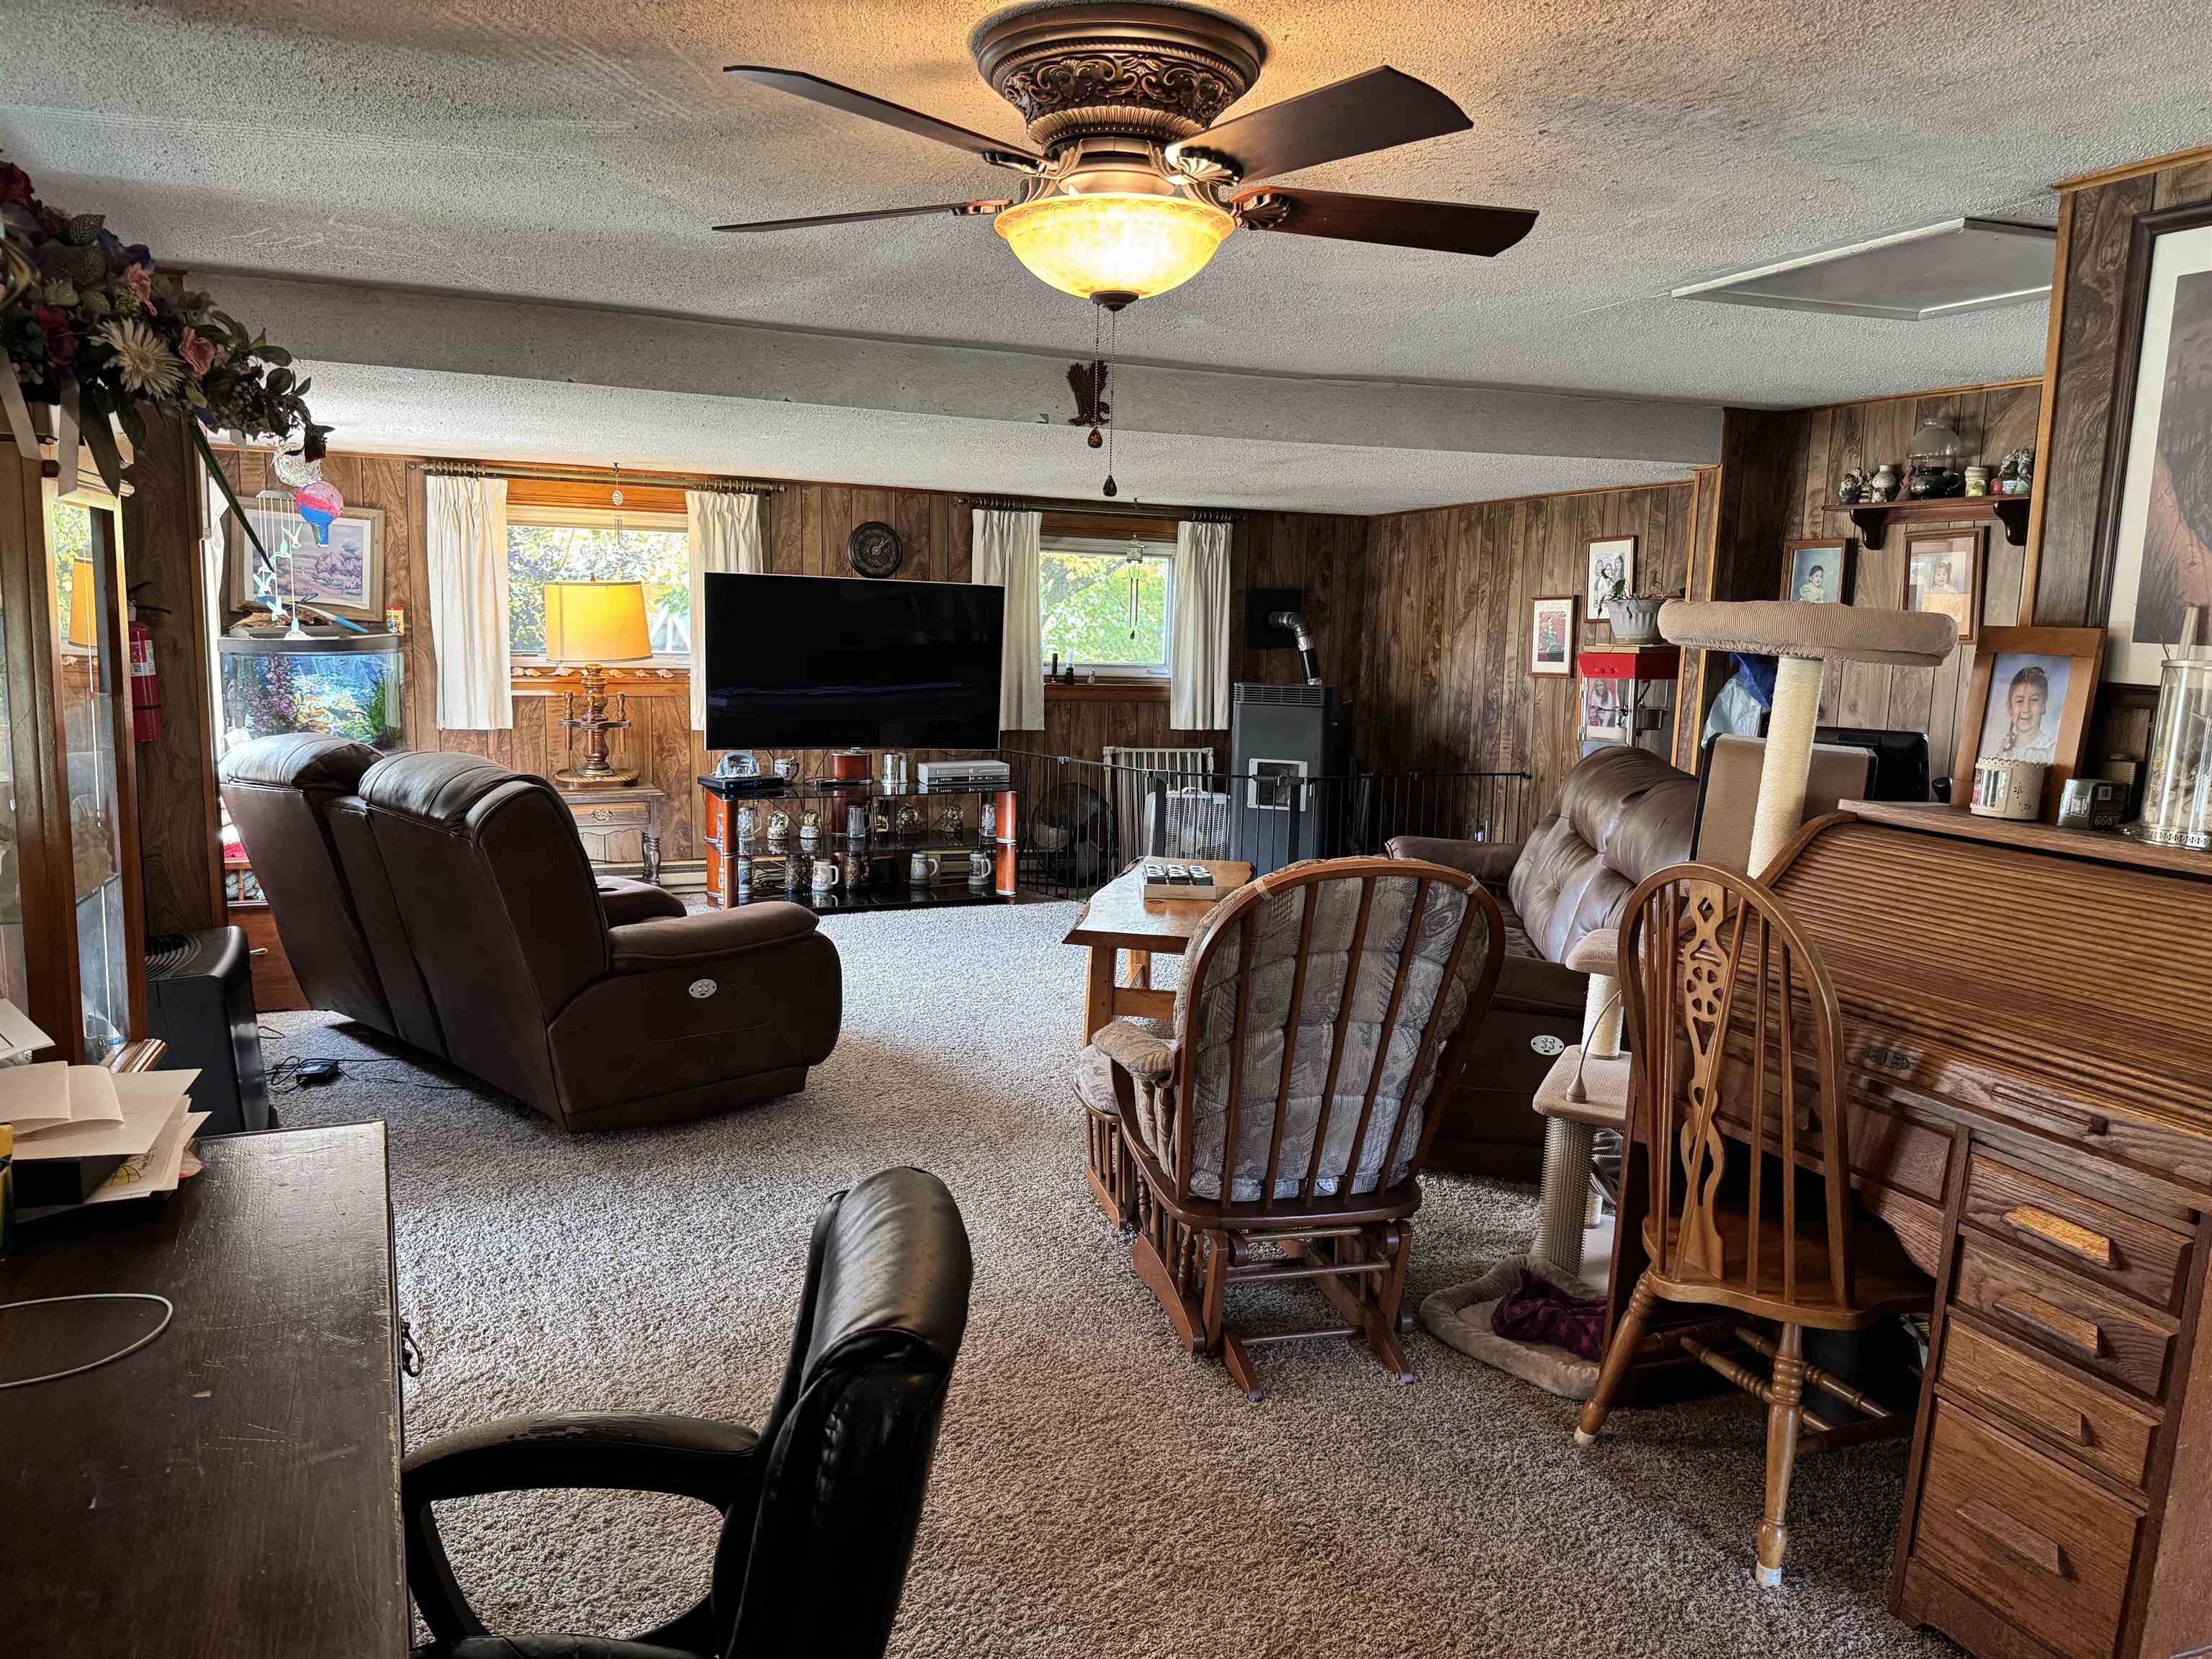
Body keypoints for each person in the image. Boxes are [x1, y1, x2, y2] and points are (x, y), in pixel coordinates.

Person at [1992, 664, 2059, 763]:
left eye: (2034, 700)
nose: (2026, 709)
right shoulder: (1999, 750)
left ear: (2043, 706)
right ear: (2010, 707)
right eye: (2019, 701)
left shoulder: (2052, 750)